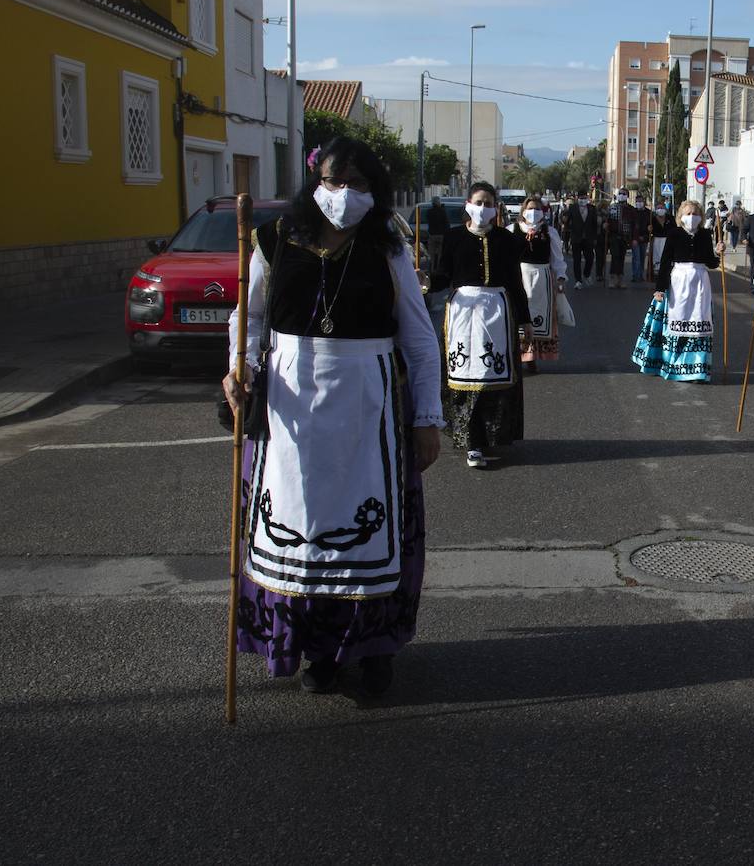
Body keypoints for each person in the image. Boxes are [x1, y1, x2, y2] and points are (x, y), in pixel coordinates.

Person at [222, 135, 443, 697]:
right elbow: (246, 322)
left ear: (377, 192)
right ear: (314, 182)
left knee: (369, 535)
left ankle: (373, 653)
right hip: (288, 410)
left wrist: (426, 418)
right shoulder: (273, 241)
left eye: (361, 185)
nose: (346, 194)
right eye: (334, 182)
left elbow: (418, 338)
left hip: (368, 408)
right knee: (301, 532)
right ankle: (315, 652)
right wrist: (239, 369)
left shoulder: (387, 248)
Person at [432, 181, 533, 469]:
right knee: (464, 376)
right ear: (467, 204)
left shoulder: (508, 240)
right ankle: (471, 441)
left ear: (495, 208)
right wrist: (425, 283)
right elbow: (442, 276)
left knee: (493, 374)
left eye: (489, 203)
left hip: (497, 313)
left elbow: (515, 283)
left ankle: (494, 433)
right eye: (478, 202)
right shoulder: (453, 238)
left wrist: (524, 320)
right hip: (462, 315)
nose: (483, 208)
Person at [632, 199, 724, 382]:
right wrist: (660, 289)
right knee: (677, 321)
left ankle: (696, 369)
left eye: (695, 214)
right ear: (681, 217)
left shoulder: (705, 235)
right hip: (679, 281)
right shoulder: (674, 234)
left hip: (700, 281)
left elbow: (711, 263)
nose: (692, 217)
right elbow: (666, 262)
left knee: (699, 321)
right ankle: (672, 364)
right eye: (688, 214)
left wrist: (718, 252)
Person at [515, 194, 568, 372]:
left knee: (539, 317)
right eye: (530, 208)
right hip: (520, 276)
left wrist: (560, 278)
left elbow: (557, 259)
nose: (533, 212)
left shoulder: (549, 232)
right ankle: (518, 355)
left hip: (542, 278)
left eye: (537, 209)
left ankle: (532, 357)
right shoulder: (512, 229)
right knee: (519, 315)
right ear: (523, 211)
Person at [604, 186, 641, 289]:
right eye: (620, 193)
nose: (622, 196)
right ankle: (612, 278)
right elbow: (607, 220)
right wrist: (605, 225)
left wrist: (634, 238)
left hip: (625, 237)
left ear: (627, 196)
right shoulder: (612, 207)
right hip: (614, 236)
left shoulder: (631, 209)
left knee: (621, 257)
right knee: (615, 256)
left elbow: (635, 225)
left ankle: (620, 279)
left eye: (624, 194)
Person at [561, 191, 599, 290]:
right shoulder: (572, 208)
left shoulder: (592, 208)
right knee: (576, 260)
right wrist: (564, 222)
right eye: (581, 198)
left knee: (590, 258)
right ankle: (578, 280)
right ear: (578, 198)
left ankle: (586, 274)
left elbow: (595, 224)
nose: (583, 200)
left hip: (588, 238)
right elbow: (566, 221)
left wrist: (595, 237)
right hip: (576, 238)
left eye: (584, 197)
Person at [649, 199, 673, 280]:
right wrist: (649, 229)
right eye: (658, 208)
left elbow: (674, 228)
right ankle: (656, 274)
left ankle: (666, 274)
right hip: (656, 239)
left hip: (667, 240)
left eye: (662, 207)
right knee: (657, 257)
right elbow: (649, 229)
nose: (660, 209)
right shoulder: (652, 219)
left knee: (666, 257)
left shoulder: (670, 218)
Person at [629, 193, 650, 283]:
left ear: (644, 202)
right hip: (635, 239)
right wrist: (634, 238)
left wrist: (645, 236)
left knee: (642, 258)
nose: (639, 203)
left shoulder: (648, 213)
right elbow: (631, 226)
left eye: (640, 201)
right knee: (636, 257)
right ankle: (635, 275)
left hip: (644, 238)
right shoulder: (633, 212)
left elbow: (650, 226)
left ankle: (640, 275)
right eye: (637, 201)